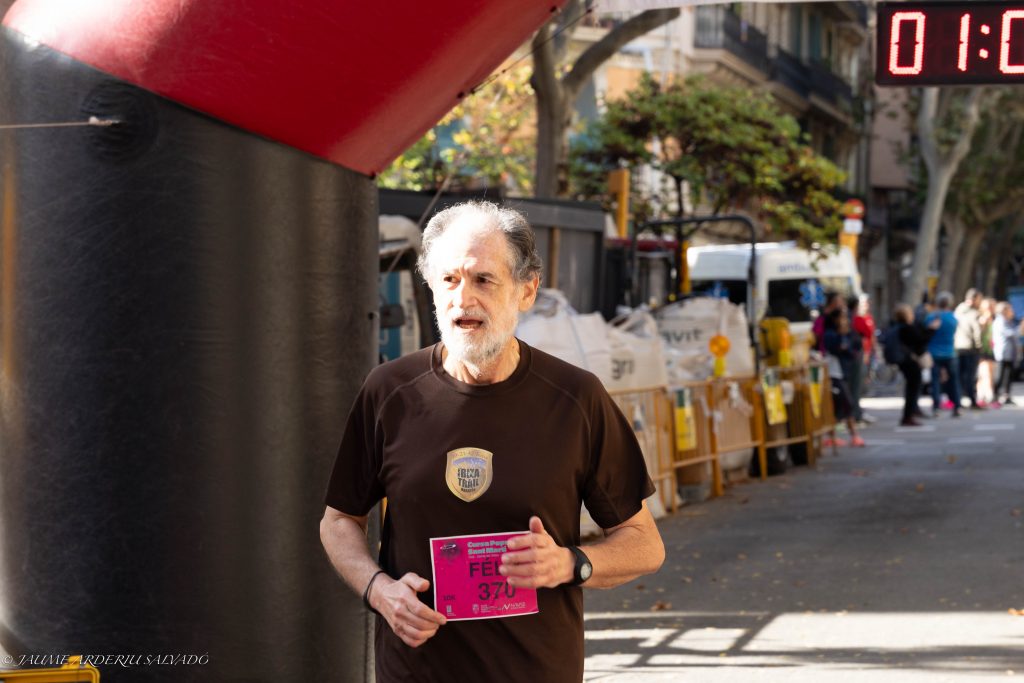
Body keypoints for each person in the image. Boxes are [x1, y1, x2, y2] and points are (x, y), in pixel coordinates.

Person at [319, 201, 665, 682]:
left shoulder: (576, 398)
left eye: (483, 280)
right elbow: (339, 521)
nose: (463, 299)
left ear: (527, 290)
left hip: (537, 672)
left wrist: (571, 563)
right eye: (449, 280)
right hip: (416, 673)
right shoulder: (389, 391)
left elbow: (644, 544)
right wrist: (378, 590)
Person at [822, 307, 865, 447]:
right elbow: (838, 349)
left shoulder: (848, 333)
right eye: (842, 317)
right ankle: (849, 436)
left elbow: (853, 349)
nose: (845, 321)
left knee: (842, 406)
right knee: (845, 404)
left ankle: (838, 436)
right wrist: (842, 337)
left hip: (842, 373)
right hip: (833, 374)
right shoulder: (831, 334)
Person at [893, 304, 938, 426]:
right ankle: (909, 415)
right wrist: (932, 329)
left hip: (906, 360)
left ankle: (911, 412)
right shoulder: (906, 328)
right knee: (913, 388)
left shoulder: (901, 327)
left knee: (912, 387)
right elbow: (920, 340)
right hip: (910, 361)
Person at [925, 291, 962, 417]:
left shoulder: (931, 317)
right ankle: (957, 406)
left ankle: (936, 407)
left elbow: (926, 332)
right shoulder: (953, 318)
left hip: (934, 353)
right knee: (954, 381)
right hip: (950, 353)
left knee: (935, 381)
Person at [953, 288, 985, 410]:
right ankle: (972, 400)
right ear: (974, 299)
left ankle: (958, 400)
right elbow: (977, 332)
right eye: (979, 299)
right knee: (970, 376)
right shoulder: (974, 313)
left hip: (958, 347)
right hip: (971, 348)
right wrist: (979, 346)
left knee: (960, 375)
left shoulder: (958, 311)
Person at [850, 294, 876, 423]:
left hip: (866, 352)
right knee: (857, 384)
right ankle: (855, 413)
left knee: (861, 382)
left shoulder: (866, 318)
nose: (866, 306)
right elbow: (865, 333)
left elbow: (871, 335)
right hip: (860, 353)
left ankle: (857, 411)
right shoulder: (856, 319)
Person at [992, 301, 1020, 405]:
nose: (1012, 312)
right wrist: (1020, 328)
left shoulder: (1007, 321)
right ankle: (995, 396)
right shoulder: (1000, 321)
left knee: (1008, 376)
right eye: (1010, 309)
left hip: (1009, 353)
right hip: (1003, 352)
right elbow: (1011, 333)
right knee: (1000, 376)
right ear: (1004, 311)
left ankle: (1006, 396)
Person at [977, 297, 998, 407]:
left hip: (990, 350)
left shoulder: (992, 319)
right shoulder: (983, 319)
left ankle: (985, 396)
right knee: (985, 374)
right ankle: (986, 396)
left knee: (989, 373)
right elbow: (979, 335)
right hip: (983, 350)